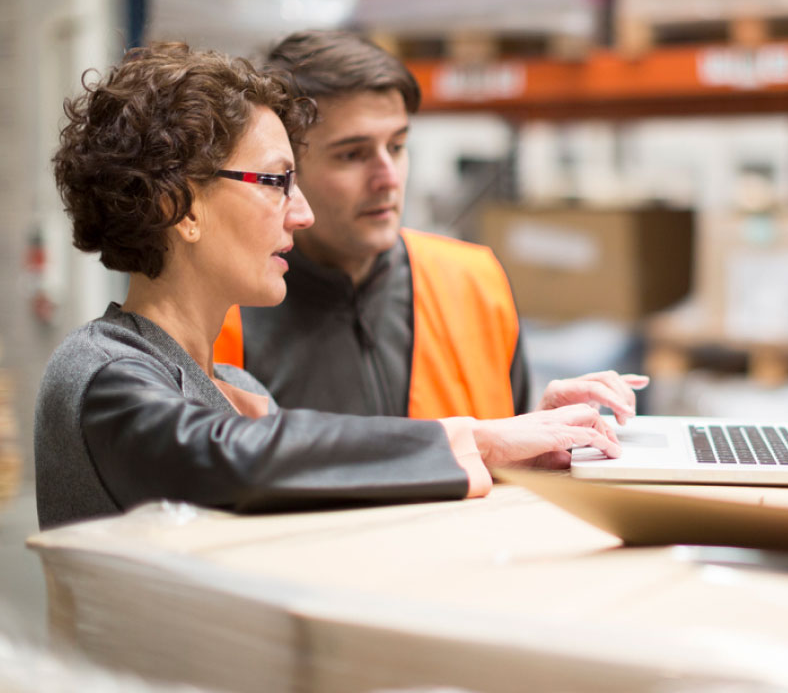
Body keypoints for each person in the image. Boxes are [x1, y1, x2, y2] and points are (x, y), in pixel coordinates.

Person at [35, 42, 630, 530]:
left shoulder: (234, 386)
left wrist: (521, 442)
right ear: (179, 206)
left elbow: (333, 479)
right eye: (275, 181)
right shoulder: (102, 372)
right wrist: (478, 438)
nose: (302, 213)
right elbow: (234, 459)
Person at [214, 29, 648, 421]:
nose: (388, 177)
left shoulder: (473, 283)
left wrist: (540, 428)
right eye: (352, 154)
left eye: (398, 146)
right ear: (287, 169)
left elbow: (502, 463)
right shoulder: (225, 314)